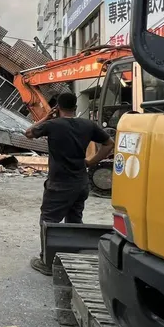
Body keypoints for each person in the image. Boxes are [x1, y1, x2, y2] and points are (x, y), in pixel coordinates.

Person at [24, 91, 114, 274]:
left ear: (58, 107)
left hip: (59, 184)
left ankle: (47, 263)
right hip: (81, 183)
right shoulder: (88, 125)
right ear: (75, 107)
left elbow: (28, 133)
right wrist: (92, 161)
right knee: (74, 220)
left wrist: (47, 117)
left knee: (49, 221)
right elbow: (109, 143)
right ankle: (72, 258)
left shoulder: (52, 125)